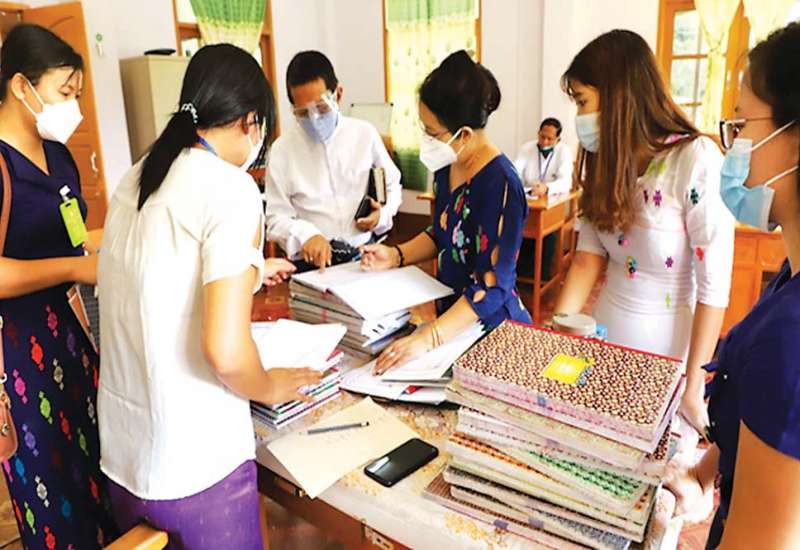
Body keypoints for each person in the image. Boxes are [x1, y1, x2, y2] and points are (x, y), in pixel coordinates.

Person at [97, 44, 320, 549]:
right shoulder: (229, 187)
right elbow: (225, 350)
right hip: (197, 468)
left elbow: (156, 278)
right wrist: (267, 384)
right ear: (249, 121)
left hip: (126, 461)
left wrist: (252, 273)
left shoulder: (138, 175)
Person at [553, 30, 735, 436]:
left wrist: (693, 385)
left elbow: (713, 287)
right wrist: (556, 334)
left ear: (618, 97)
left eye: (582, 102)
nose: (578, 117)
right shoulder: (607, 161)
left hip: (668, 350)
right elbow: (586, 259)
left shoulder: (695, 160)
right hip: (605, 336)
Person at [664, 22, 800, 549]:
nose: (734, 147)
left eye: (742, 124)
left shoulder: (790, 339)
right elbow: (765, 426)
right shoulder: (788, 280)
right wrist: (704, 474)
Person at [0, 25, 118, 549]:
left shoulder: (59, 155)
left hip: (74, 340)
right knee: (50, 489)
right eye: (64, 92)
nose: (73, 107)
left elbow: (73, 236)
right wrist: (73, 269)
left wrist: (106, 252)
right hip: (20, 355)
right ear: (21, 86)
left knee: (99, 470)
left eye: (77, 94)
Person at [361, 50, 531, 373]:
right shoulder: (447, 164)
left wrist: (431, 336)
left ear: (463, 134)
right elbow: (444, 233)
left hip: (491, 329)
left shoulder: (502, 185)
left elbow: (492, 284)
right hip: (452, 325)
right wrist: (396, 255)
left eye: (431, 132)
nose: (426, 139)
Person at [265, 50, 402, 272]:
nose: (314, 119)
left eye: (321, 108)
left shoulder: (364, 134)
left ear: (337, 94)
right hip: (312, 264)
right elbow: (275, 218)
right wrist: (306, 235)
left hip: (363, 255)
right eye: (303, 113)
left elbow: (393, 184)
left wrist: (382, 215)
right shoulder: (282, 150)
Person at [514, 117, 573, 197]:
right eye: (542, 137)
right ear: (538, 133)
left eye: (550, 139)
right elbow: (516, 171)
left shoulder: (564, 151)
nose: (545, 142)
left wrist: (546, 188)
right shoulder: (527, 148)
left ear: (558, 139)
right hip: (529, 194)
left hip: (553, 196)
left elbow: (566, 182)